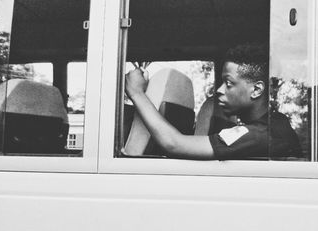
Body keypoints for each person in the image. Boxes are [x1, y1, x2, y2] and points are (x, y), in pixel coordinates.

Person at [125, 44, 302, 160]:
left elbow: (173, 143)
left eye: (229, 83)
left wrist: (136, 92)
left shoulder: (258, 135)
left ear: (256, 90)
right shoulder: (277, 122)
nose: (219, 90)